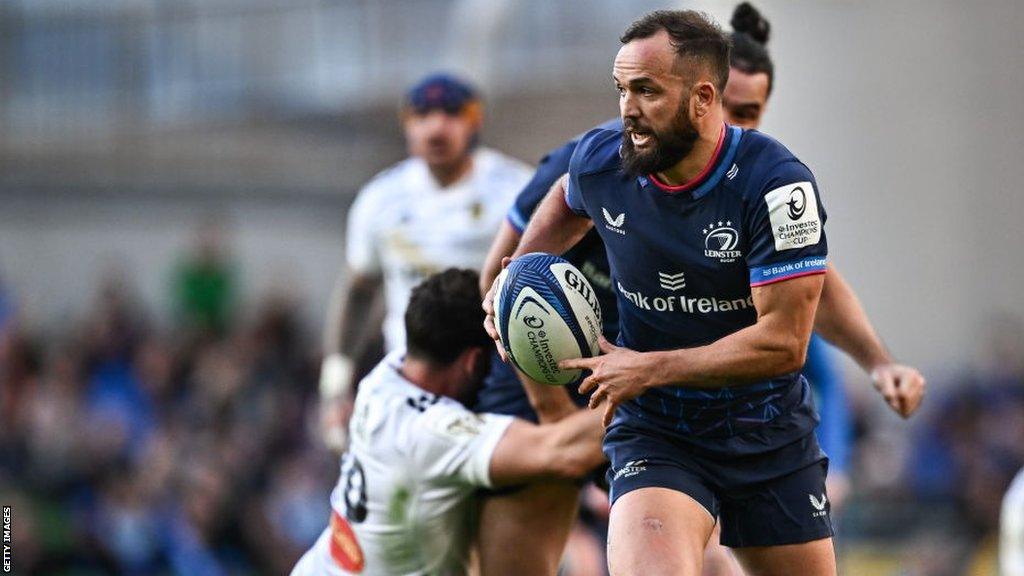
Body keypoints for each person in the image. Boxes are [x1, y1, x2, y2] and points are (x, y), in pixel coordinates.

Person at [477, 4, 923, 575]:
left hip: (764, 431)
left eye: (647, 91)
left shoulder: (778, 188)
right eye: (621, 89)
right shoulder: (603, 159)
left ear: (703, 99)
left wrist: (647, 367)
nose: (628, 110)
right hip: (656, 430)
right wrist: (521, 276)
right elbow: (568, 194)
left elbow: (786, 343)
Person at [291, 269, 605, 576]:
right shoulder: (436, 435)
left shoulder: (381, 380)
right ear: (473, 361)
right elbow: (563, 451)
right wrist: (639, 389)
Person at [318, 73, 532, 451]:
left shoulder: (516, 189)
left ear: (475, 120)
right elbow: (358, 290)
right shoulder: (380, 198)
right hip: (411, 383)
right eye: (422, 115)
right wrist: (335, 385)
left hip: (499, 378)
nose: (436, 127)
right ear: (407, 125)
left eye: (451, 113)